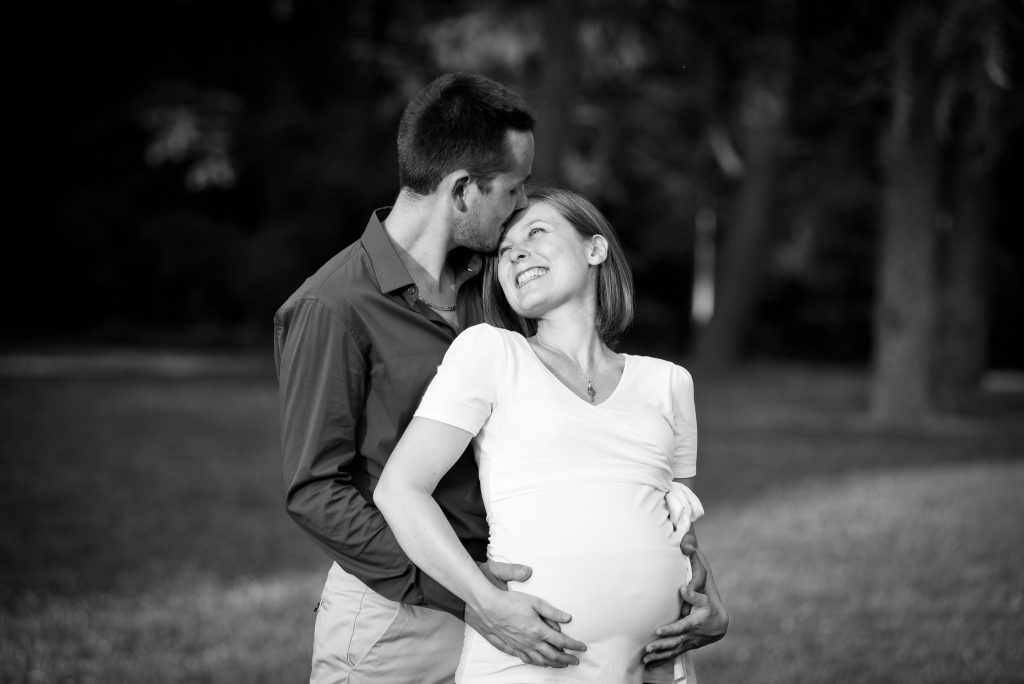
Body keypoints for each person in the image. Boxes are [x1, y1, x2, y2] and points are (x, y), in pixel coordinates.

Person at [274, 73, 587, 684]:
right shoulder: (332, 307)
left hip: (511, 601)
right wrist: (464, 595)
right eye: (515, 189)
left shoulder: (497, 286)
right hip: (397, 623)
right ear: (464, 190)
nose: (523, 207)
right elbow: (315, 490)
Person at [375, 187, 727, 683]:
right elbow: (400, 489)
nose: (515, 252)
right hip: (529, 659)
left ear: (594, 249)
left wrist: (713, 607)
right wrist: (486, 602)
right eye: (504, 251)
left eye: (536, 233)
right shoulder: (492, 353)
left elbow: (677, 526)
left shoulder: (668, 382)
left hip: (654, 665)